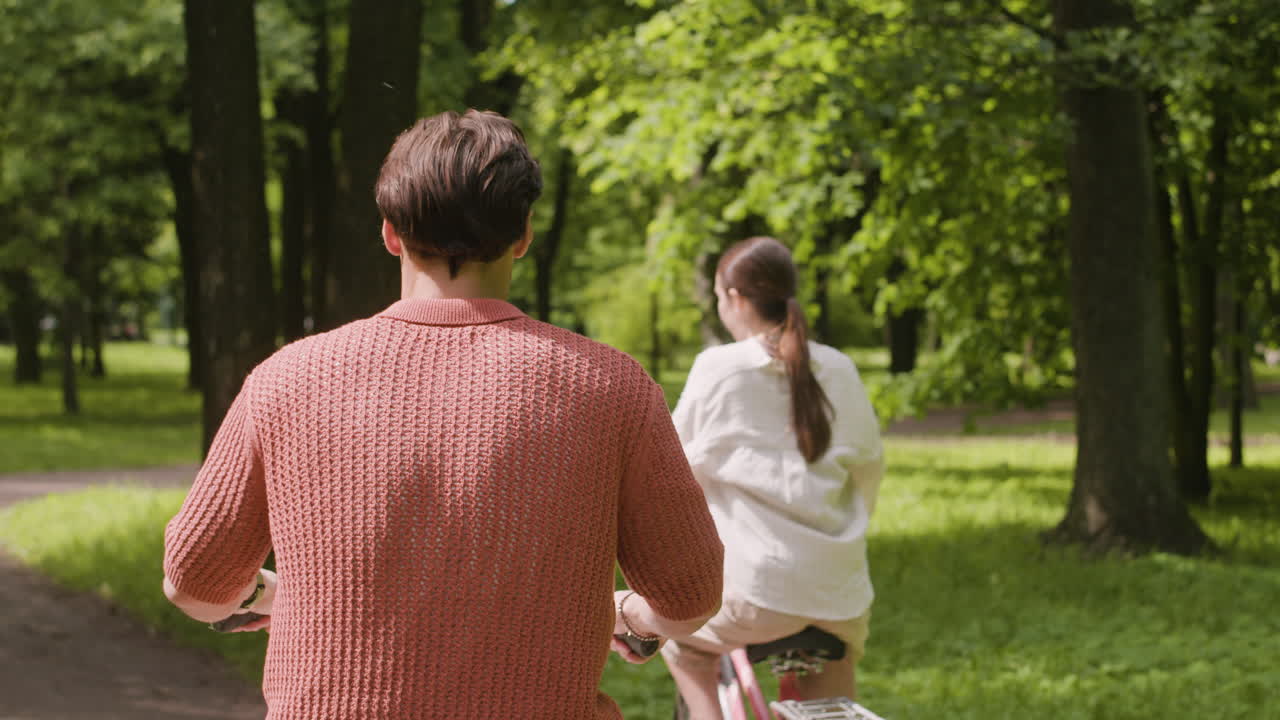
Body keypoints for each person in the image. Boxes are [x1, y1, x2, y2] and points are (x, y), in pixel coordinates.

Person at [162, 109, 723, 719]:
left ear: (391, 233)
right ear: (524, 235)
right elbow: (690, 593)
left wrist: (269, 593)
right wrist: (632, 617)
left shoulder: (286, 380)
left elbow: (193, 581)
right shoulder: (611, 387)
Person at [662, 237, 884, 719]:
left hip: (754, 594)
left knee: (682, 642)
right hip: (838, 593)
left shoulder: (720, 367)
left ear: (735, 299)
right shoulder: (839, 368)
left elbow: (670, 468)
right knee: (833, 700)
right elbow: (869, 469)